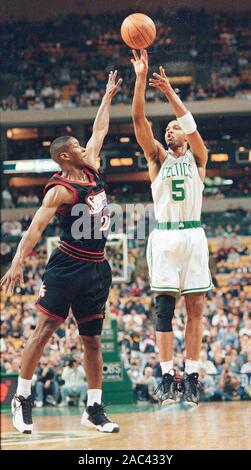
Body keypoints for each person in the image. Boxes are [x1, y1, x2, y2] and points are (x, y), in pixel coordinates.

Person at [1, 71, 122, 433]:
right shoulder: (59, 190)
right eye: (80, 149)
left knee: (93, 340)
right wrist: (18, 262)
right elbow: (35, 229)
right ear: (66, 156)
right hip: (68, 265)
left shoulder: (92, 168)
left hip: (98, 268)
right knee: (45, 329)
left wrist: (107, 96)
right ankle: (21, 399)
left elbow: (99, 131)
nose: (88, 149)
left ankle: (94, 408)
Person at [131, 49, 213, 406]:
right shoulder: (156, 159)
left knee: (195, 310)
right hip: (164, 235)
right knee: (163, 311)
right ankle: (166, 377)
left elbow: (191, 125)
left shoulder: (198, 158)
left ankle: (191, 376)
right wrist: (140, 79)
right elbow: (138, 122)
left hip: (194, 235)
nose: (170, 129)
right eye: (166, 128)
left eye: (173, 126)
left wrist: (169, 93)